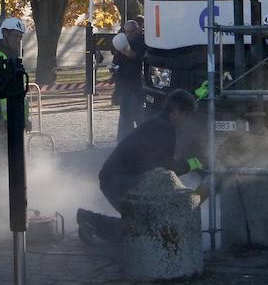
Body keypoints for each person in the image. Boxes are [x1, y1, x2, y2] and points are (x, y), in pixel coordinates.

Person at [76, 89, 204, 244]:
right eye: (186, 115)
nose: (185, 121)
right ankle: (93, 222)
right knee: (146, 229)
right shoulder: (164, 129)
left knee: (144, 224)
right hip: (119, 181)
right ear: (176, 111)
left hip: (117, 178)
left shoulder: (158, 123)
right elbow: (164, 170)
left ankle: (89, 220)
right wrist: (192, 163)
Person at [0, 16, 29, 159]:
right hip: (0, 121)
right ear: (5, 34)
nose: (18, 40)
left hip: (15, 118)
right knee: (5, 158)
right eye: (16, 36)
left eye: (20, 37)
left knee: (16, 158)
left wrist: (24, 118)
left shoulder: (14, 58)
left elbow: (19, 92)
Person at [112, 19, 148, 138]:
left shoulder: (142, 42)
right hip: (124, 84)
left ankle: (143, 137)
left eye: (132, 31)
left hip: (137, 83)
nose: (130, 34)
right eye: (127, 31)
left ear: (137, 30)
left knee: (137, 112)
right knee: (125, 115)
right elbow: (116, 61)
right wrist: (113, 69)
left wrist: (124, 50)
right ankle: (124, 139)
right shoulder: (123, 42)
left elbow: (137, 56)